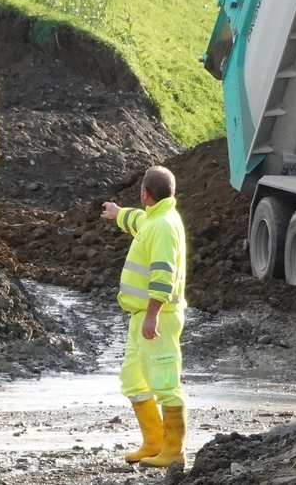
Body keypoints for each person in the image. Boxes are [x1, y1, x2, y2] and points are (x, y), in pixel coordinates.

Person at [100, 166, 189, 467]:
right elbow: (139, 221)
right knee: (133, 379)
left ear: (145, 194)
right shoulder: (155, 218)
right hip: (142, 316)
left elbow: (163, 276)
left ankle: (173, 450)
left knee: (165, 382)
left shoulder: (163, 225)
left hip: (158, 317)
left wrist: (153, 315)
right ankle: (154, 442)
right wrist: (117, 213)